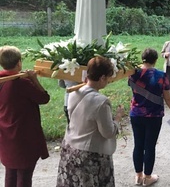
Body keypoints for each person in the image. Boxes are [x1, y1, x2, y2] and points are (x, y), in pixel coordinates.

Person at [57, 56, 122, 187]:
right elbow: (108, 133)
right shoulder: (101, 102)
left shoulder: (74, 93)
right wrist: (118, 118)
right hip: (90, 157)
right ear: (102, 77)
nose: (108, 81)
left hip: (70, 149)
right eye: (108, 78)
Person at [0, 46, 50, 187]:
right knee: (24, 175)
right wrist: (34, 79)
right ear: (19, 63)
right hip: (24, 138)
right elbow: (44, 98)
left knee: (10, 172)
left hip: (5, 136)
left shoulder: (2, 80)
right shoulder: (22, 83)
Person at [128, 48, 170, 186]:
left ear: (142, 58)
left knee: (138, 145)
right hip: (154, 115)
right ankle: (148, 177)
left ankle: (138, 176)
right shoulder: (161, 75)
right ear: (156, 60)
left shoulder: (132, 74)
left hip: (136, 114)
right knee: (150, 146)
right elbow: (167, 97)